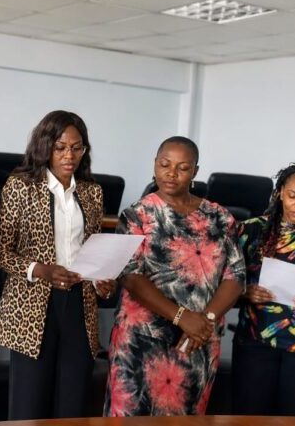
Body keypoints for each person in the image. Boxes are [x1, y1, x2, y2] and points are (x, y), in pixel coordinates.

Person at [103, 136, 245, 416]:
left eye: (182, 167)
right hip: (141, 341)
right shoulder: (136, 216)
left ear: (195, 171)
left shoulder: (219, 217)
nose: (171, 173)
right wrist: (182, 317)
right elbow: (131, 276)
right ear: (155, 164)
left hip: (197, 341)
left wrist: (205, 320)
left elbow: (236, 276)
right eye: (165, 164)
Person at [0, 110, 116, 419]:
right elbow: (0, 252)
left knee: (71, 406)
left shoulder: (92, 192)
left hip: (79, 305)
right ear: (45, 146)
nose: (69, 156)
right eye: (60, 148)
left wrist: (102, 280)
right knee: (28, 407)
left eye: (76, 147)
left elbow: (93, 250)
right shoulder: (20, 186)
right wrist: (40, 270)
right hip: (31, 307)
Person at [232, 160, 295, 416]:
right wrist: (244, 293)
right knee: (249, 416)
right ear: (280, 192)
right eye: (292, 195)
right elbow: (223, 282)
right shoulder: (250, 230)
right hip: (255, 341)